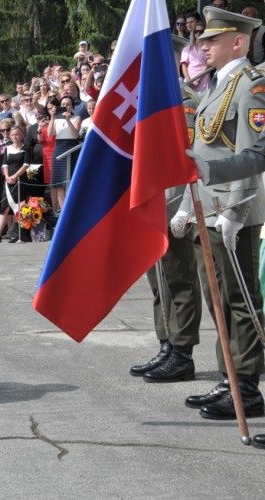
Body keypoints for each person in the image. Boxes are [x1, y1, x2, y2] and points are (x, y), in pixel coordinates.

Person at [174, 7, 265, 421]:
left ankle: (246, 386)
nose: (203, 45)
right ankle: (230, 376)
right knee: (219, 301)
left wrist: (237, 210)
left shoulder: (251, 86)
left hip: (232, 211)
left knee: (241, 301)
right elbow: (204, 150)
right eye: (203, 39)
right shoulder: (212, 87)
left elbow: (255, 154)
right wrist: (185, 207)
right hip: (206, 210)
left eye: (212, 39)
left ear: (239, 41)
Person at [131, 34, 203, 383]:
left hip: (175, 205)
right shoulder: (143, 101)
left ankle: (183, 351)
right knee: (159, 281)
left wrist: (187, 209)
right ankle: (166, 344)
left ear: (173, 59)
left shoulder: (184, 101)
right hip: (151, 204)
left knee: (180, 280)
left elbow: (194, 163)